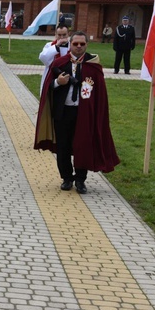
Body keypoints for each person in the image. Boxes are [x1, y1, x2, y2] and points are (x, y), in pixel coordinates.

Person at [34, 31, 120, 194]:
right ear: (70, 45)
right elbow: (48, 87)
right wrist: (58, 82)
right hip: (63, 112)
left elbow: (100, 93)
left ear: (87, 45)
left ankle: (80, 180)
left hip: (84, 113)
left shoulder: (93, 65)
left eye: (82, 44)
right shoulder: (59, 63)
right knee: (63, 147)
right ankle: (67, 178)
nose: (79, 47)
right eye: (75, 44)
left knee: (83, 146)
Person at [38, 25, 70, 93]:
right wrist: (56, 46)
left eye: (64, 35)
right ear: (55, 35)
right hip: (52, 77)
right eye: (59, 35)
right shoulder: (49, 45)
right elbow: (43, 58)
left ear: (68, 34)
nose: (62, 37)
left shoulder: (73, 46)